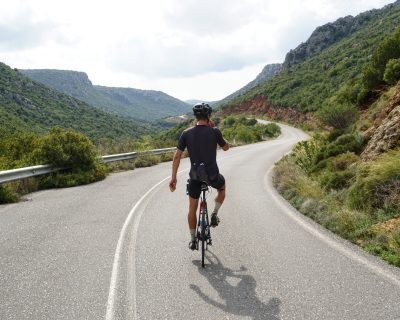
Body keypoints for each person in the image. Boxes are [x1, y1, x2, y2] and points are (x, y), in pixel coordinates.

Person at [169, 103, 230, 250]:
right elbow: (226, 147)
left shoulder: (186, 133)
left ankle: (193, 240)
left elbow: (177, 156)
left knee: (192, 208)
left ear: (195, 116)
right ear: (209, 116)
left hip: (195, 177)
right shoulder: (214, 131)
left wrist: (173, 178)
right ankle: (214, 213)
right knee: (222, 188)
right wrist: (216, 132)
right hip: (213, 175)